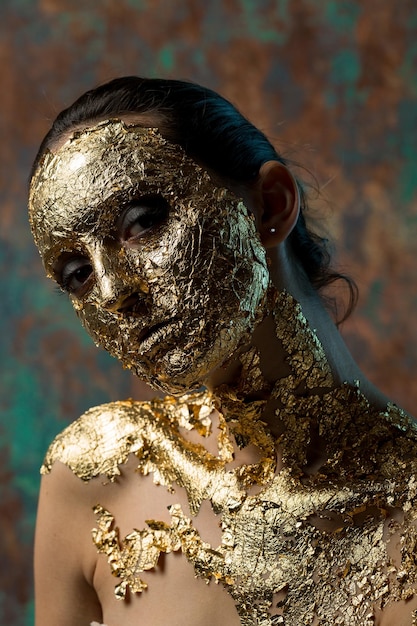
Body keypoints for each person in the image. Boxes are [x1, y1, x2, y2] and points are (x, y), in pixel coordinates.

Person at [29, 77, 417, 626]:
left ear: (270, 206)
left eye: (142, 222)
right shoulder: (95, 476)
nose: (113, 293)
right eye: (77, 274)